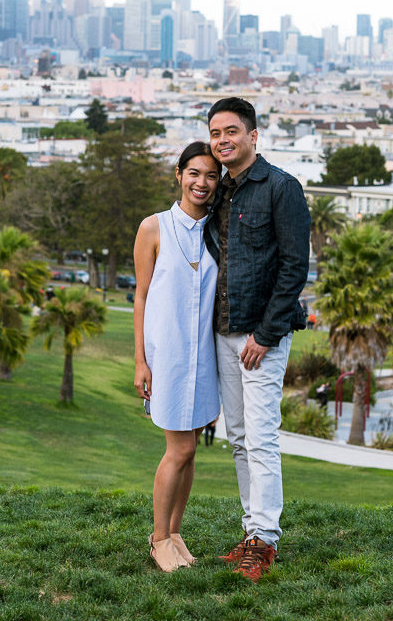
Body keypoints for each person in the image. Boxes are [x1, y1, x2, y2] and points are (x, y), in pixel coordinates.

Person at [205, 97, 310, 583]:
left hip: (260, 335)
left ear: (252, 135)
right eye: (214, 133)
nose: (222, 140)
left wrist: (266, 335)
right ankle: (252, 531)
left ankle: (265, 540)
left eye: (231, 131)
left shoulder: (281, 187)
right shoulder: (220, 191)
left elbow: (294, 267)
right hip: (225, 331)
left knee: (262, 437)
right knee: (240, 438)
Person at [133, 141, 221, 573]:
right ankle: (158, 538)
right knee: (180, 447)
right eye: (195, 173)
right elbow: (142, 295)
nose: (202, 183)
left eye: (211, 175)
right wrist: (139, 360)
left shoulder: (219, 231)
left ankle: (176, 531)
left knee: (190, 452)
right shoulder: (153, 227)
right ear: (179, 173)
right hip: (165, 354)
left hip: (204, 357)